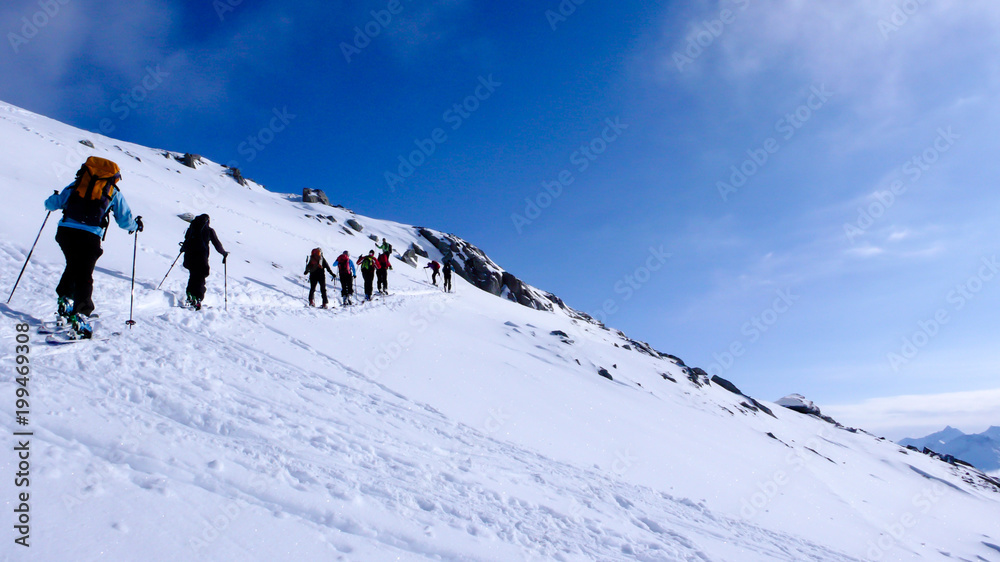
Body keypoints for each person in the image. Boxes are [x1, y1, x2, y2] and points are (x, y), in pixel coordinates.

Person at [44, 157, 141, 336]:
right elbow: (124, 220)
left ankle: (65, 298)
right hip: (89, 236)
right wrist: (135, 226)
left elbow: (52, 204)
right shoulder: (113, 192)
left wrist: (54, 197)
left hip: (65, 233)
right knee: (84, 273)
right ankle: (80, 314)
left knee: (73, 265)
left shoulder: (77, 185)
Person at [181, 214, 228, 310]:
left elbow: (186, 240)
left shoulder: (191, 228)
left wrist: (183, 249)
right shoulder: (209, 230)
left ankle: (190, 293)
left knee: (193, 275)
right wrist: (223, 253)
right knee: (200, 278)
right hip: (201, 257)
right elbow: (217, 244)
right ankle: (197, 298)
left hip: (189, 256)